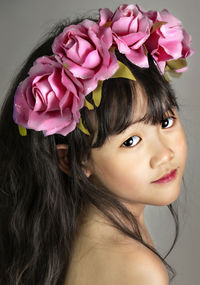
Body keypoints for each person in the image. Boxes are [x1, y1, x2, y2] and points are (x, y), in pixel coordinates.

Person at [0, 4, 194, 285]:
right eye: (131, 141)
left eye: (165, 122)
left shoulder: (65, 236)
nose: (164, 154)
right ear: (73, 160)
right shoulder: (137, 269)